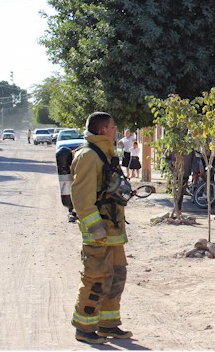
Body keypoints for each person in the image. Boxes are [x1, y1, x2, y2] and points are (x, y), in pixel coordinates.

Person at [70, 112, 133, 344]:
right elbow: (82, 197)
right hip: (99, 233)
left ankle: (108, 323)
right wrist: (95, 229)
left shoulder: (105, 152)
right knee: (96, 278)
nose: (116, 130)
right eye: (113, 126)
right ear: (103, 130)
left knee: (116, 276)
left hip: (113, 232)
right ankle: (84, 328)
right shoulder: (88, 155)